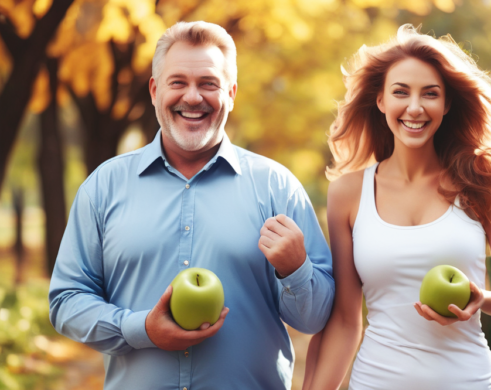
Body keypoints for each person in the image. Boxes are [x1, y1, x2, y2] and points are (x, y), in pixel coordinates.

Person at [49, 21, 334, 390]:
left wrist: (296, 269)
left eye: (209, 84)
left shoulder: (277, 188)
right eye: (178, 82)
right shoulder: (104, 186)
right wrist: (140, 329)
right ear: (155, 90)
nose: (193, 97)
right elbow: (66, 301)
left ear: (231, 93)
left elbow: (314, 320)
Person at [302, 24, 491, 390]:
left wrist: (483, 298)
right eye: (400, 92)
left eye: (430, 94)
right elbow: (346, 321)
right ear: (380, 101)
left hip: (469, 381)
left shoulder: (482, 178)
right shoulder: (347, 193)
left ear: (447, 103)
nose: (414, 107)